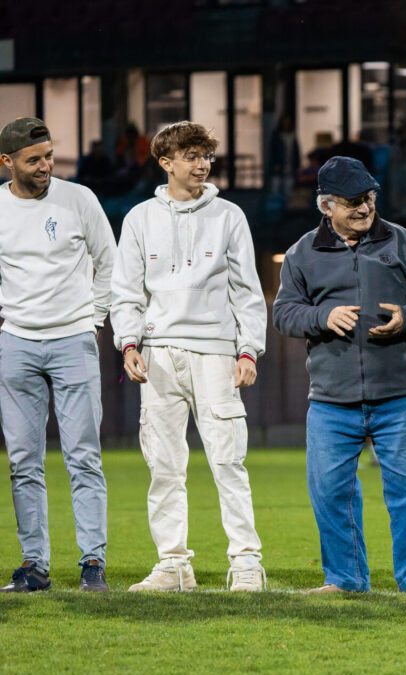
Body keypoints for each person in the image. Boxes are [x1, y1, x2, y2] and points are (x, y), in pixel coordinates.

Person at [110, 121, 268, 592]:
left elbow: (247, 291)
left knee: (228, 462)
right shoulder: (139, 218)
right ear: (166, 162)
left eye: (207, 157)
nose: (202, 165)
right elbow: (126, 292)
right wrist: (129, 342)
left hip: (215, 354)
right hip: (158, 354)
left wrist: (248, 350)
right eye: (192, 156)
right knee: (163, 467)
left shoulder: (229, 216)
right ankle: (173, 565)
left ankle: (246, 563)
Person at [273, 156, 406, 595]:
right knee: (330, 493)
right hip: (331, 398)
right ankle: (346, 579)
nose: (365, 208)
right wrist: (323, 316)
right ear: (325, 206)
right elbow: (284, 313)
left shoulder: (403, 242)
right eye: (352, 202)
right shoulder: (302, 253)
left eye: (368, 198)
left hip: (398, 392)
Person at [0, 117, 116, 593]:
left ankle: (93, 563)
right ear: (7, 162)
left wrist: (94, 321)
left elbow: (109, 263)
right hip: (16, 343)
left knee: (83, 456)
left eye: (48, 155)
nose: (45, 165)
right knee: (22, 462)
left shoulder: (80, 199)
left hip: (73, 340)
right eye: (34, 160)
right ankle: (35, 566)